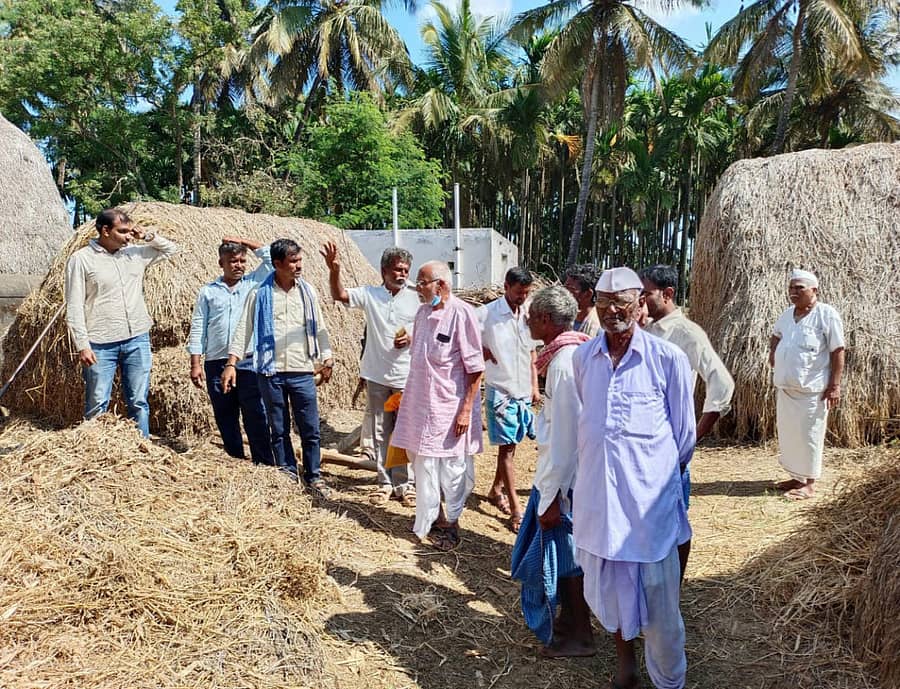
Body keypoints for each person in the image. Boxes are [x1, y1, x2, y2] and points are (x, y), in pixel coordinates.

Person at [573, 267, 695, 689]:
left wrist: (649, 479)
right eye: (604, 304)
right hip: (600, 507)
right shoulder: (581, 359)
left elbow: (684, 438)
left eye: (622, 302)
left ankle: (668, 681)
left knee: (661, 611)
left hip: (649, 514)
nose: (612, 313)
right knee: (612, 598)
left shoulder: (668, 360)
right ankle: (626, 669)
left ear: (641, 304)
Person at [510, 286, 594, 658]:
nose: (526, 319)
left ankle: (581, 635)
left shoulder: (563, 364)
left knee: (569, 559)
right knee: (566, 555)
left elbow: (564, 439)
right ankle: (571, 624)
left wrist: (551, 497)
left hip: (566, 482)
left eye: (531, 315)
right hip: (568, 477)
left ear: (545, 319)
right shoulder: (571, 354)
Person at [639, 264, 735, 578]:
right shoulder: (646, 331)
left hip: (670, 444)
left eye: (647, 294)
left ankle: (675, 586)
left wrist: (693, 435)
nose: (642, 300)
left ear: (667, 294)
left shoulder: (686, 334)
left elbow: (721, 383)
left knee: (676, 520)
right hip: (644, 443)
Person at [223, 238, 334, 496]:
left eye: (299, 260)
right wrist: (231, 363)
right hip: (270, 372)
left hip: (302, 370)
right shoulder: (259, 294)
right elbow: (243, 329)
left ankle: (314, 476)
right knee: (279, 427)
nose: (298, 266)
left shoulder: (308, 292)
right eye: (293, 261)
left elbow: (319, 326)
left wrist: (327, 357)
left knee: (310, 428)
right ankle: (287, 474)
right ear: (277, 264)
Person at [390, 261, 484, 551]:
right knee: (422, 463)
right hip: (420, 404)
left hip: (449, 407)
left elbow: (475, 368)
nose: (417, 288)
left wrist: (466, 409)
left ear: (440, 285)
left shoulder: (462, 313)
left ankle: (451, 525)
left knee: (452, 469)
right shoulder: (421, 313)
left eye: (422, 283)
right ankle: (434, 518)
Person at [65, 208, 179, 437]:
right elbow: (74, 305)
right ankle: (95, 452)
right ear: (105, 231)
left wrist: (146, 235)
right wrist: (82, 345)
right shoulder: (81, 260)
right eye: (123, 231)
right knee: (98, 403)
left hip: (137, 338)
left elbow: (171, 249)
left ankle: (141, 447)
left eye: (130, 231)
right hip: (100, 343)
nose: (129, 236)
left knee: (138, 401)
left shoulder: (135, 254)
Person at [321, 241, 419, 507]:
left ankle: (405, 484)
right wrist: (334, 270)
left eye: (406, 270)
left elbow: (432, 325)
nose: (402, 275)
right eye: (397, 269)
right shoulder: (371, 294)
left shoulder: (417, 297)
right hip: (377, 377)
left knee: (403, 432)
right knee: (380, 430)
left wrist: (412, 335)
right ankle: (385, 482)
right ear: (384, 270)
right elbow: (340, 295)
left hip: (405, 379)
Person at [187, 238, 274, 464]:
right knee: (225, 413)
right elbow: (198, 326)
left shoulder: (254, 283)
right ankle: (235, 459)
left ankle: (263, 462)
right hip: (216, 360)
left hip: (247, 360)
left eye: (242, 261)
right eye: (233, 261)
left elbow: (271, 258)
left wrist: (242, 241)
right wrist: (195, 363)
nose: (239, 265)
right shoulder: (208, 292)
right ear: (221, 263)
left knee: (255, 412)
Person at [769, 269, 845, 501]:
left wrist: (835, 385)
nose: (793, 292)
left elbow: (838, 350)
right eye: (791, 287)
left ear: (814, 290)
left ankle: (809, 484)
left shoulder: (826, 315)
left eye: (799, 288)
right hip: (787, 388)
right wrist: (773, 353)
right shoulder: (787, 314)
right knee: (791, 436)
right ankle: (796, 476)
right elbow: (776, 334)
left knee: (809, 436)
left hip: (812, 391)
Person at [477, 267, 539, 533]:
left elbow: (533, 353)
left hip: (523, 389)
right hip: (500, 389)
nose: (521, 298)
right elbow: (466, 339)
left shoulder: (528, 314)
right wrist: (482, 349)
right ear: (506, 287)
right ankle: (515, 509)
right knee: (507, 449)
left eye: (525, 293)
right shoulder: (487, 314)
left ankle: (496, 489)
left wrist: (535, 386)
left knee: (513, 444)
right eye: (518, 293)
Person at [564, 263, 601, 337]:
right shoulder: (565, 321)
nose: (564, 293)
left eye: (570, 289)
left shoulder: (598, 329)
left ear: (588, 295)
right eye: (564, 287)